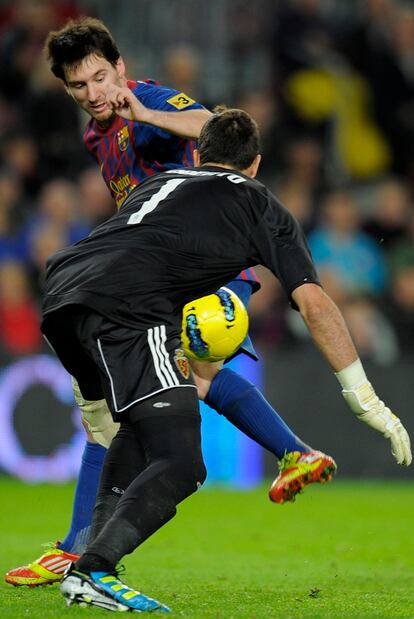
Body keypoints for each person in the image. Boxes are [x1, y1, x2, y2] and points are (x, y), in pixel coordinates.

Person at [5, 17, 337, 588]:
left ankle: (79, 548)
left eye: (102, 77)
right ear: (66, 90)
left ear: (122, 68)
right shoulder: (94, 137)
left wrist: (144, 111)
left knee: (149, 397)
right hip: (155, 278)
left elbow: (209, 124)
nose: (96, 95)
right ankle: (293, 453)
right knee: (142, 400)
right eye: (79, 87)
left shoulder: (150, 99)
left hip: (195, 267)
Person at [39, 107, 411, 613]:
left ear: (198, 153)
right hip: (127, 307)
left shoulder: (163, 182)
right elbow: (315, 304)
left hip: (63, 294)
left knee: (141, 430)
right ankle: (94, 571)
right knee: (183, 461)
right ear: (255, 165)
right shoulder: (260, 204)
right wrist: (365, 398)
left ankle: (88, 556)